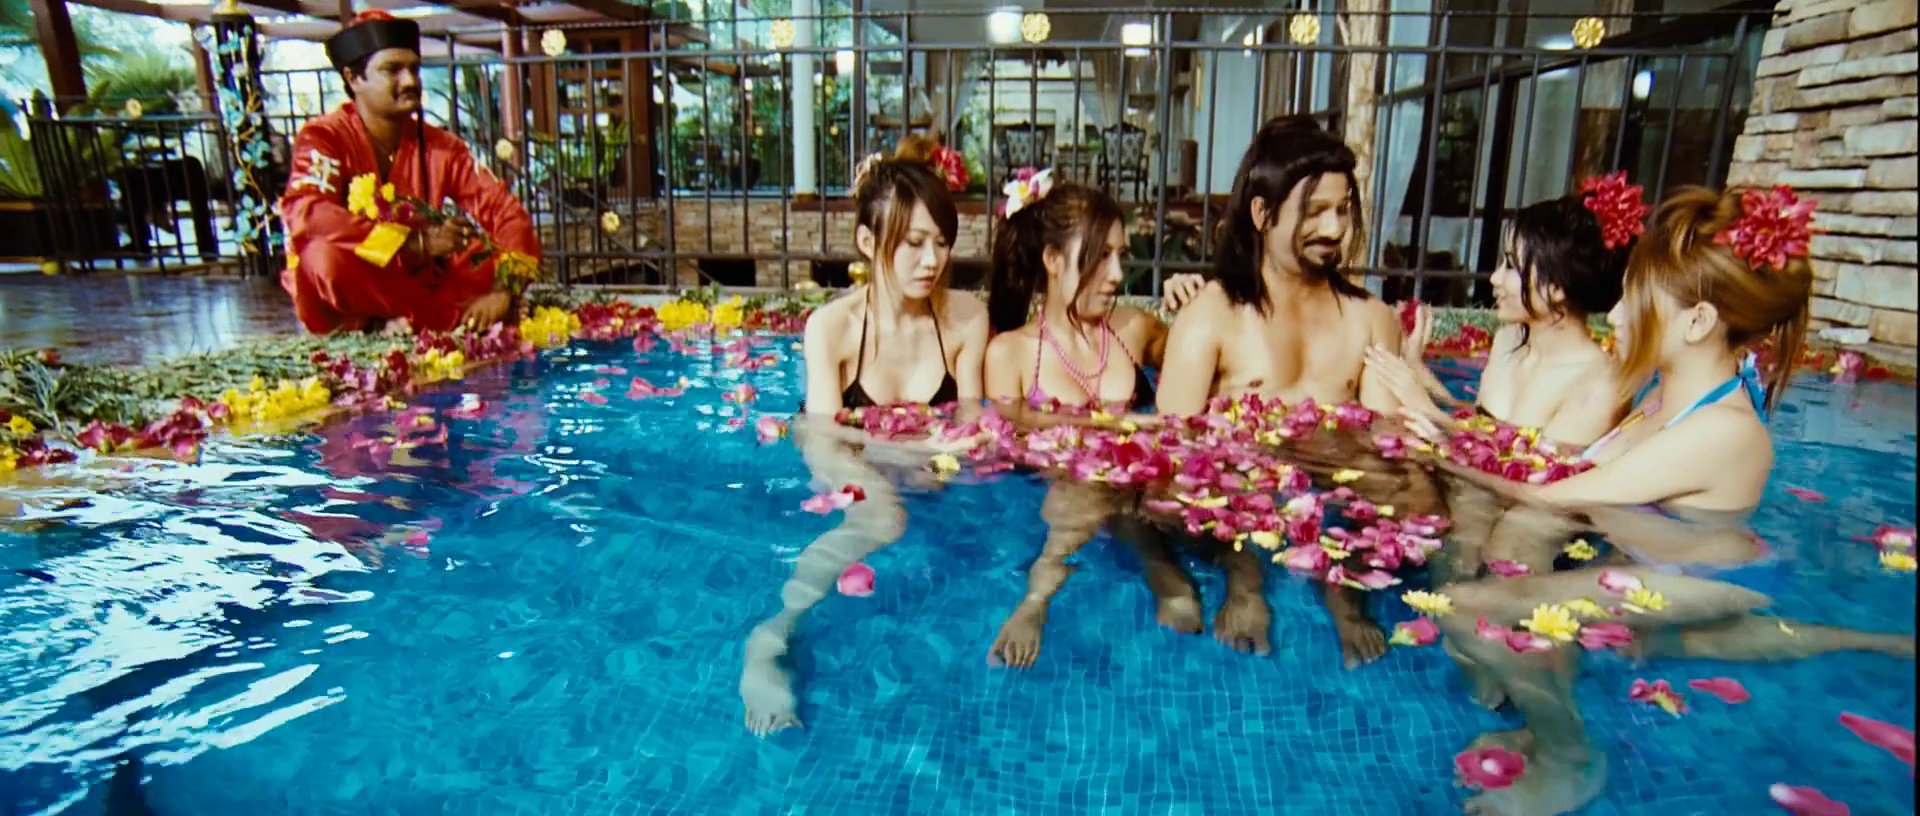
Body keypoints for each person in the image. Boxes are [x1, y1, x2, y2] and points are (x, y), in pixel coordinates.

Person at [1420, 186, 1914, 816]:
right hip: (1658, 558)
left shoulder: (1722, 430)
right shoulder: (1666, 396)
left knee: (1469, 610)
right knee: (1540, 585)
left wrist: (1434, 445)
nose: (1615, 315)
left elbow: (1548, 489)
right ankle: (1544, 730)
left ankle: (1573, 760)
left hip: (1706, 574)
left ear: (1698, 322)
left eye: (1634, 298)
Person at [740, 155, 990, 736]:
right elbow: (826, 434)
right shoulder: (832, 328)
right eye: (914, 243)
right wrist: (908, 454)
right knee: (882, 518)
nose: (932, 260)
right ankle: (771, 637)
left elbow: (973, 419)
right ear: (867, 241)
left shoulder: (965, 319)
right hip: (842, 449)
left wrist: (942, 454)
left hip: (926, 460)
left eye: (942, 243)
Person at [1152, 114, 1412, 665]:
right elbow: (1173, 454)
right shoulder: (1212, 317)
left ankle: (1344, 594)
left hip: (1333, 493)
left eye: (1343, 210)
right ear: (1262, 214)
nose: (1334, 229)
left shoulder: (1370, 320)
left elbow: (1384, 454)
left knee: (1410, 490)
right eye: (1315, 211)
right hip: (1238, 502)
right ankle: (1243, 578)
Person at [979, 176, 1178, 668]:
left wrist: (1189, 307)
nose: (1116, 274)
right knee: (1082, 479)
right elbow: (1011, 433)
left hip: (1138, 493)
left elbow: (1198, 365)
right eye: (1099, 256)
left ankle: (1169, 562)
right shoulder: (1012, 353)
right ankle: (1037, 597)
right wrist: (1116, 430)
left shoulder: (1132, 330)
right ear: (1052, 259)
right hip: (1063, 495)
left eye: (1120, 255)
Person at [279, 11, 539, 335]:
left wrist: (503, 290)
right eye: (392, 70)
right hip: (362, 278)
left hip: (425, 280)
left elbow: (508, 215)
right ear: (353, 79)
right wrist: (413, 244)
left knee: (483, 256)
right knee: (321, 258)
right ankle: (447, 320)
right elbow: (307, 213)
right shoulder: (323, 137)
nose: (410, 81)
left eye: (414, 69)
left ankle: (416, 320)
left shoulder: (442, 146)